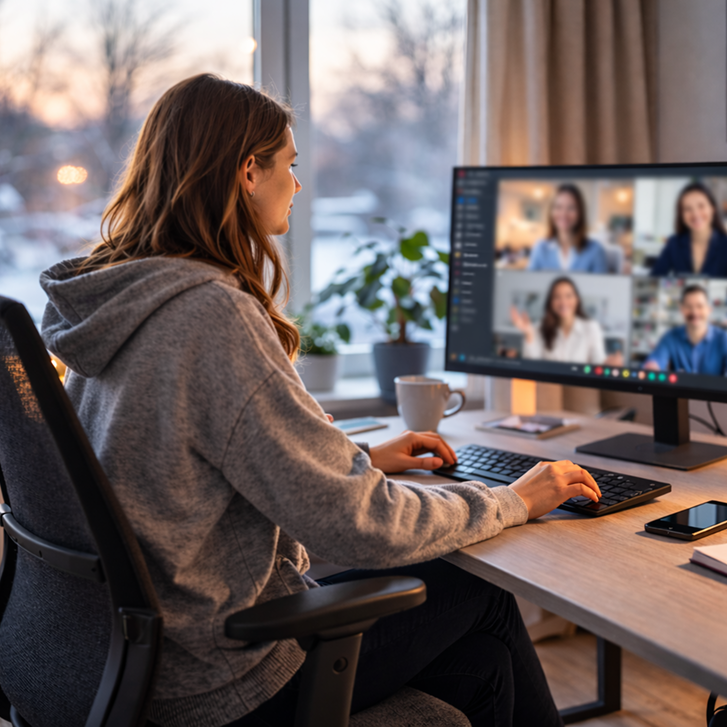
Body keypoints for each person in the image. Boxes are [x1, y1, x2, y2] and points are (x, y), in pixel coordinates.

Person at [38, 74, 601, 727]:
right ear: (249, 172)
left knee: (484, 665)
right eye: (290, 166)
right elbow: (357, 527)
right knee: (481, 593)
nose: (297, 186)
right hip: (220, 675)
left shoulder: (125, 299)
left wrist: (359, 458)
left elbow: (187, 461)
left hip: (146, 655)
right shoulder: (210, 314)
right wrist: (514, 500)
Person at [643, 284, 727, 378]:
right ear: (682, 309)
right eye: (689, 306)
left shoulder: (725, 339)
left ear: (709, 310)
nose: (694, 312)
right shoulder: (670, 337)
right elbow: (656, 360)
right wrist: (651, 369)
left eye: (700, 306)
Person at [650, 183, 727, 279]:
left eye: (701, 206)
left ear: (713, 209)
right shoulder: (674, 244)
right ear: (681, 215)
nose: (695, 214)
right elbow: (653, 279)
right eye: (688, 209)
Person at [509, 276, 611, 364]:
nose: (563, 302)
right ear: (550, 302)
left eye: (568, 296)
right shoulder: (540, 327)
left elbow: (598, 360)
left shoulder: (591, 327)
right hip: (549, 384)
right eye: (557, 297)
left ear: (577, 299)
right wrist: (529, 333)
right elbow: (532, 364)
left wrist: (608, 364)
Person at [526, 183, 609, 273]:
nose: (564, 214)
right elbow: (529, 284)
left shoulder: (595, 250)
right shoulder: (540, 248)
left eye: (571, 208)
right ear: (551, 211)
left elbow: (601, 287)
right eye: (558, 207)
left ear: (580, 212)